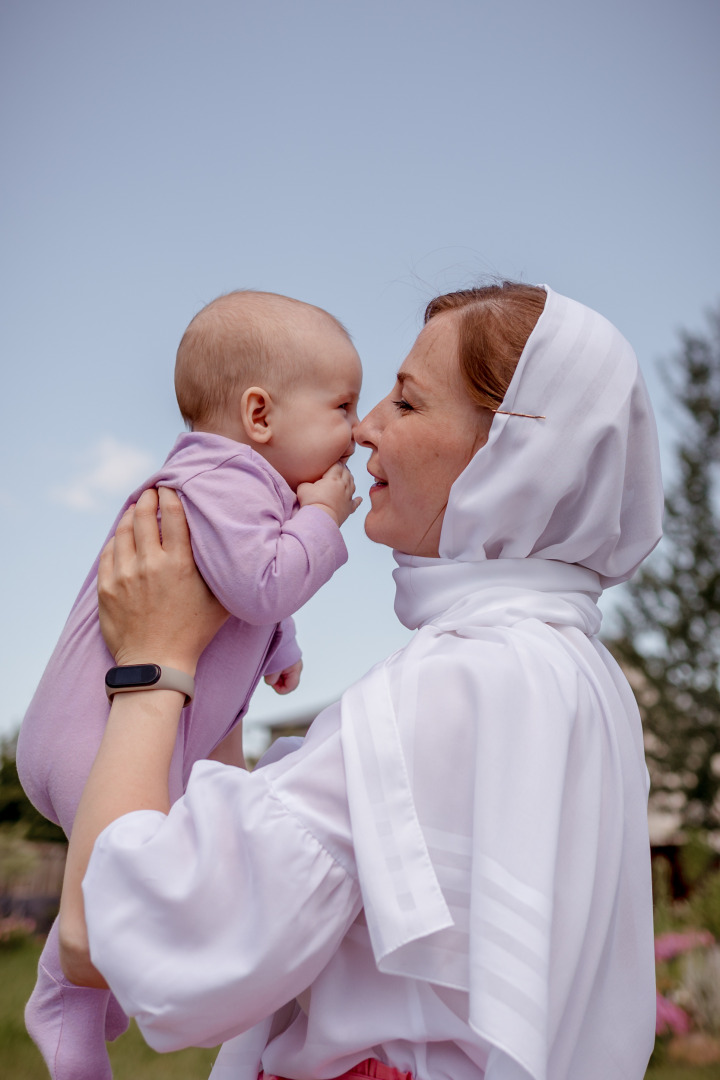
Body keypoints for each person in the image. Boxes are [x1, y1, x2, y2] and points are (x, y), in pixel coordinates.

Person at [61, 282, 663, 1080]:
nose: (365, 429)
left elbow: (108, 935)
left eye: (408, 405)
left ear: (513, 455)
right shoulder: (579, 679)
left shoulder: (451, 685)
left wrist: (151, 664)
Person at [17, 290, 363, 1080]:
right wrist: (323, 522)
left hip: (82, 737)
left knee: (130, 891)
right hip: (99, 740)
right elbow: (261, 583)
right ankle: (66, 999)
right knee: (145, 891)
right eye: (342, 405)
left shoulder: (223, 486)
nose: (356, 428)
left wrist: (282, 639)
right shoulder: (227, 478)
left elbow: (241, 587)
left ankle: (74, 1020)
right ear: (260, 415)